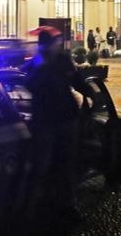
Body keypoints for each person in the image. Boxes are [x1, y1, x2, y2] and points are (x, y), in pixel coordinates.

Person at [20, 28, 91, 221]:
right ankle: (31, 211)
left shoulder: (62, 60)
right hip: (47, 122)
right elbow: (29, 84)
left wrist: (91, 92)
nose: (57, 45)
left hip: (64, 119)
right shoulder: (36, 65)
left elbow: (77, 81)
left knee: (66, 164)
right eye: (54, 43)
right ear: (46, 45)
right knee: (41, 167)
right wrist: (41, 67)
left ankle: (66, 206)